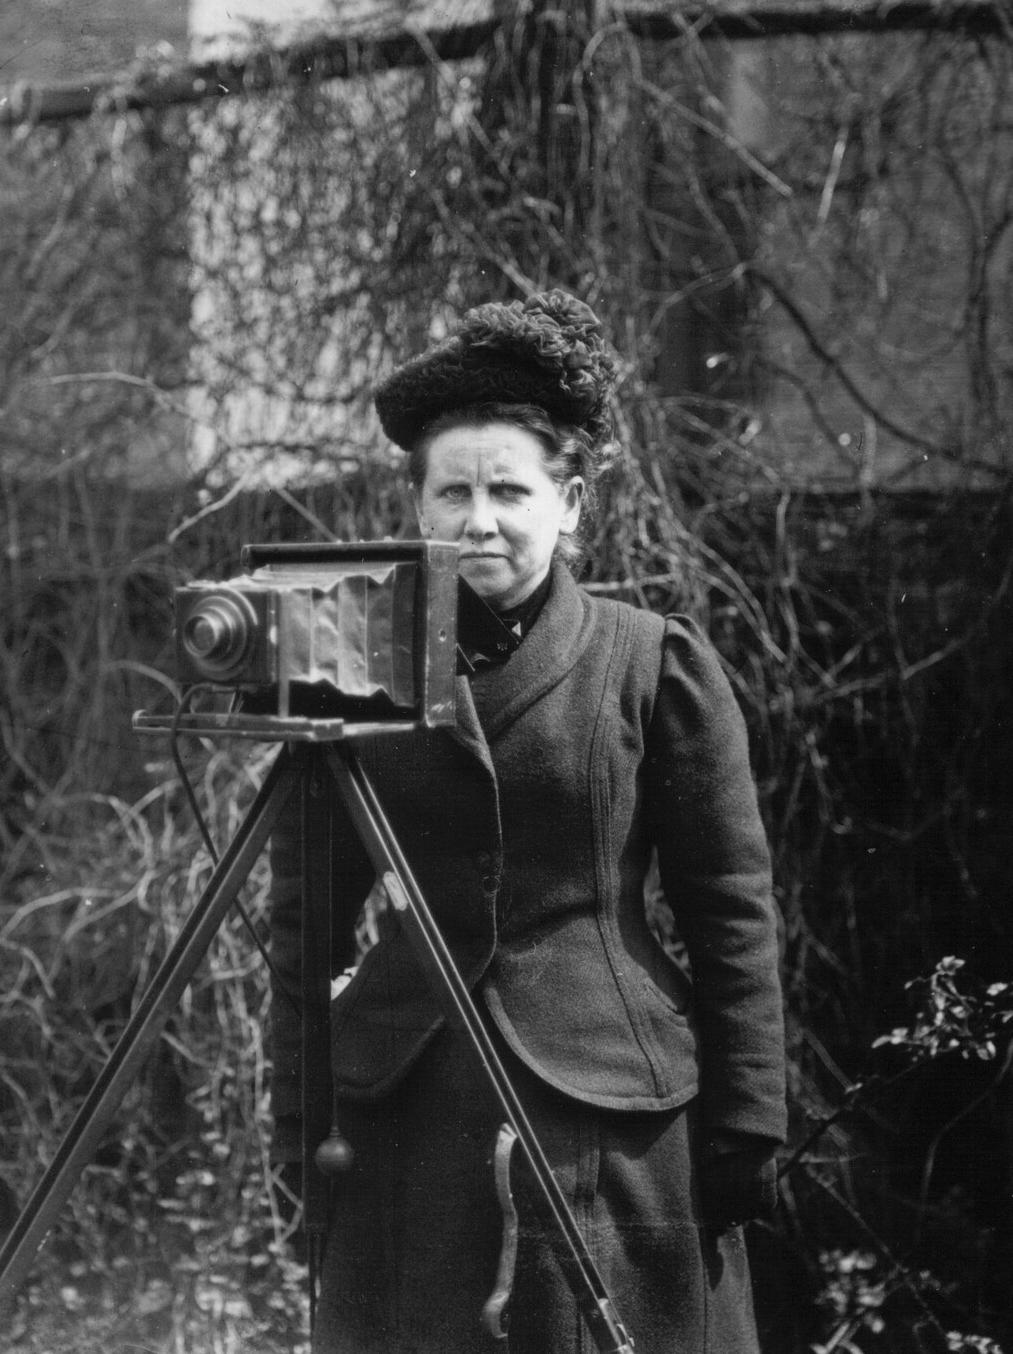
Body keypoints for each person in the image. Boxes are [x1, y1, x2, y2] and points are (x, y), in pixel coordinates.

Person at [269, 290, 787, 1354]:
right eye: (452, 491)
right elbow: (302, 921)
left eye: (510, 489)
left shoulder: (651, 664)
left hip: (615, 1119)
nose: (480, 519)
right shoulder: (354, 670)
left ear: (571, 503)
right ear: (418, 507)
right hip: (405, 1113)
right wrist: (297, 1117)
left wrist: (748, 1120)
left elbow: (730, 907)